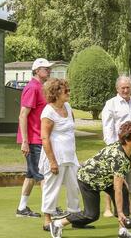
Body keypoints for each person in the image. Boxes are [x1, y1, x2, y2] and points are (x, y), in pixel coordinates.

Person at [49, 121, 131, 238]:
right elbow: (116, 189)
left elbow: (116, 172)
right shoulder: (119, 157)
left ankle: (122, 231)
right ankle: (57, 224)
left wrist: (122, 182)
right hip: (88, 180)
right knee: (91, 215)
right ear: (128, 140)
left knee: (124, 191)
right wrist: (120, 213)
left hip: (104, 179)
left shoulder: (128, 150)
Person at [101, 76, 131, 217]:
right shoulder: (111, 104)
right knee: (114, 178)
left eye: (128, 87)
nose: (126, 90)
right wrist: (112, 147)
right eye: (123, 88)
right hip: (117, 148)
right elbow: (107, 127)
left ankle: (130, 206)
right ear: (117, 89)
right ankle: (108, 208)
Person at [39, 78, 81, 231]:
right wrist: (52, 162)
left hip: (70, 155)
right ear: (56, 93)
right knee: (52, 188)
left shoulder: (68, 107)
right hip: (55, 157)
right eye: (66, 91)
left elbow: (71, 129)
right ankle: (47, 220)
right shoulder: (48, 112)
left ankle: (74, 218)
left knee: (74, 187)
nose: (69, 93)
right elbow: (44, 138)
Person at [16, 58, 54, 218]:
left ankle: (22, 209)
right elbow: (23, 115)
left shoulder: (41, 87)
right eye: (45, 68)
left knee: (31, 175)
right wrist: (25, 141)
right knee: (42, 176)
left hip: (38, 138)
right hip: (32, 140)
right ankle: (51, 209)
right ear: (37, 70)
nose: (49, 70)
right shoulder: (32, 88)